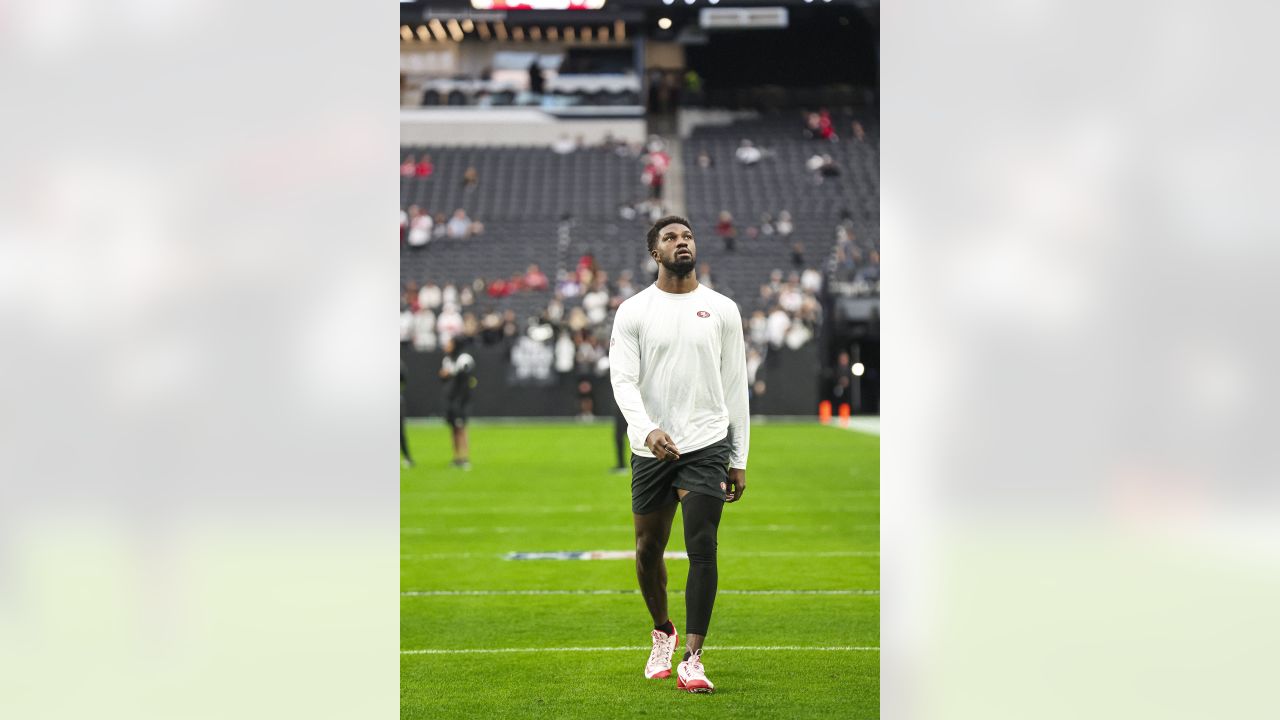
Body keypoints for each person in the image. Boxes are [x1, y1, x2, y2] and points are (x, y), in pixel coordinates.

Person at [609, 215, 750, 694]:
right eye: (671, 237)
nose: (682, 242)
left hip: (707, 445)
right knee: (648, 550)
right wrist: (647, 431)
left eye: (688, 235)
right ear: (656, 253)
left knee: (702, 545)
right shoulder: (633, 311)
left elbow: (737, 389)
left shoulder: (723, 309)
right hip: (651, 450)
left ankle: (693, 657)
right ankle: (663, 631)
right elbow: (622, 381)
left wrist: (739, 456)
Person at [439, 337, 475, 470]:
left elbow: (465, 379)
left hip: (461, 400)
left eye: (449, 343)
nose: (446, 346)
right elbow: (443, 378)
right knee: (453, 429)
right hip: (450, 400)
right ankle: (456, 458)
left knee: (462, 429)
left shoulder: (464, 359)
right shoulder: (447, 360)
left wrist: (451, 374)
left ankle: (465, 458)